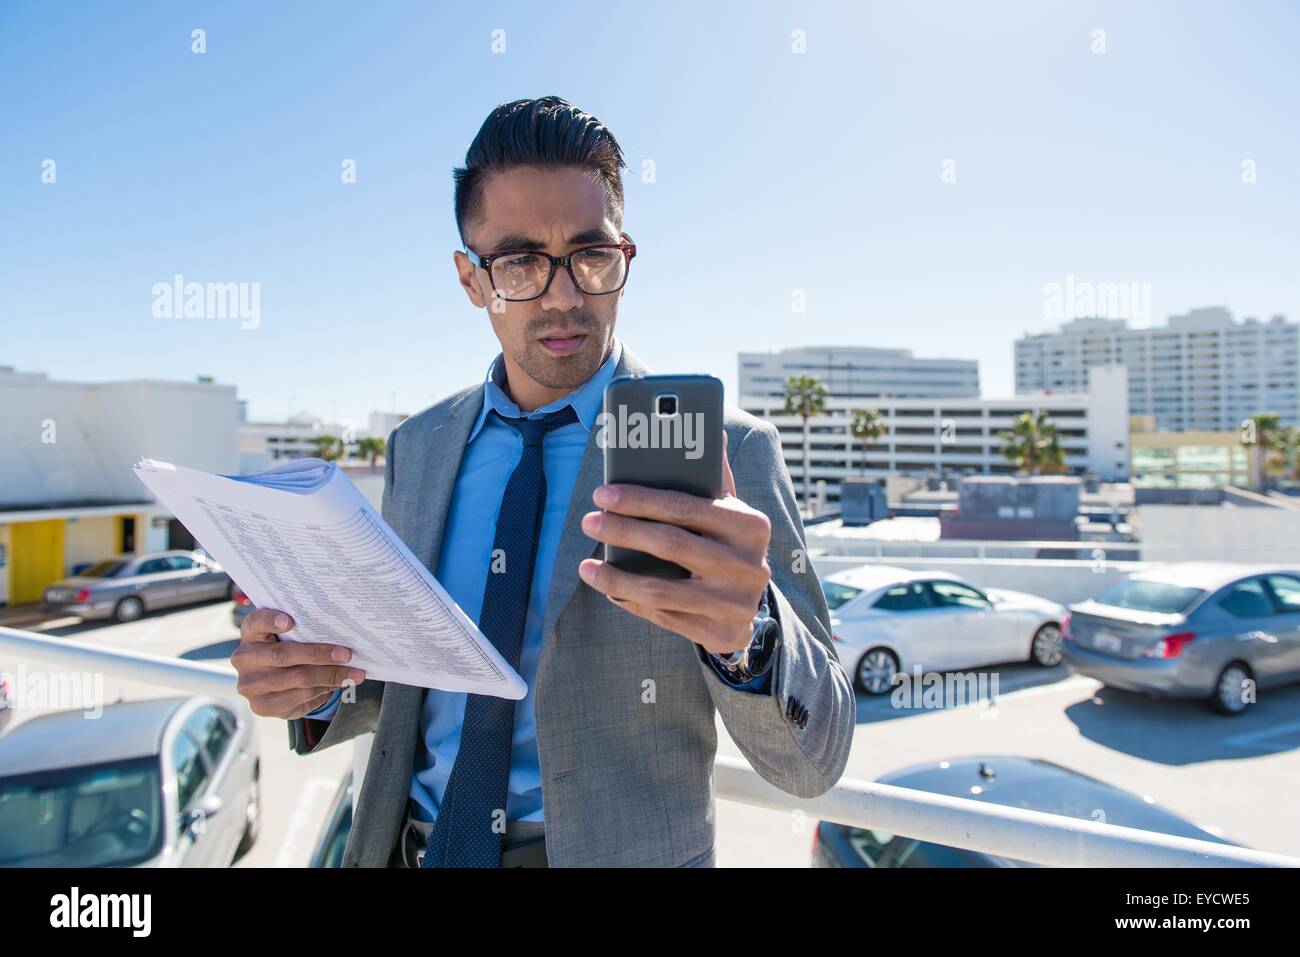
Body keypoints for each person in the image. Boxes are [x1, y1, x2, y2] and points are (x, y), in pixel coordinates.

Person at [231, 96, 855, 867]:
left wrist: (751, 635)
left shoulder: (729, 450)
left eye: (590, 255)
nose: (563, 295)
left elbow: (816, 757)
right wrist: (311, 683)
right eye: (520, 262)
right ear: (470, 279)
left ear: (626, 254)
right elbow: (405, 673)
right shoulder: (418, 447)